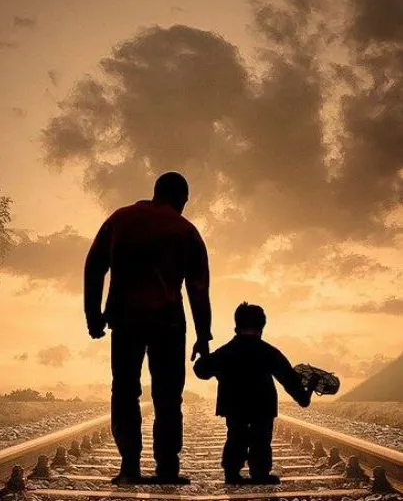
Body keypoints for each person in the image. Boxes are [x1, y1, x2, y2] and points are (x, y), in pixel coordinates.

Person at [84, 172, 212, 486]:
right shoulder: (186, 230)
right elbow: (198, 288)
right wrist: (203, 336)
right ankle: (167, 468)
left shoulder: (120, 220)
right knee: (168, 397)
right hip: (169, 323)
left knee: (125, 391)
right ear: (182, 200)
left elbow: (94, 265)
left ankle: (129, 467)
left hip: (125, 320)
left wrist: (94, 315)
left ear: (155, 192)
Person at [194, 302, 318, 485]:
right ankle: (260, 474)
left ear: (236, 326)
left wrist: (203, 355)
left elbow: (201, 371)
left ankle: (232, 473)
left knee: (236, 436)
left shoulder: (227, 351)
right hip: (262, 405)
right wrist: (305, 395)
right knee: (261, 439)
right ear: (262, 326)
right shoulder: (269, 352)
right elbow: (289, 379)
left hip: (234, 405)